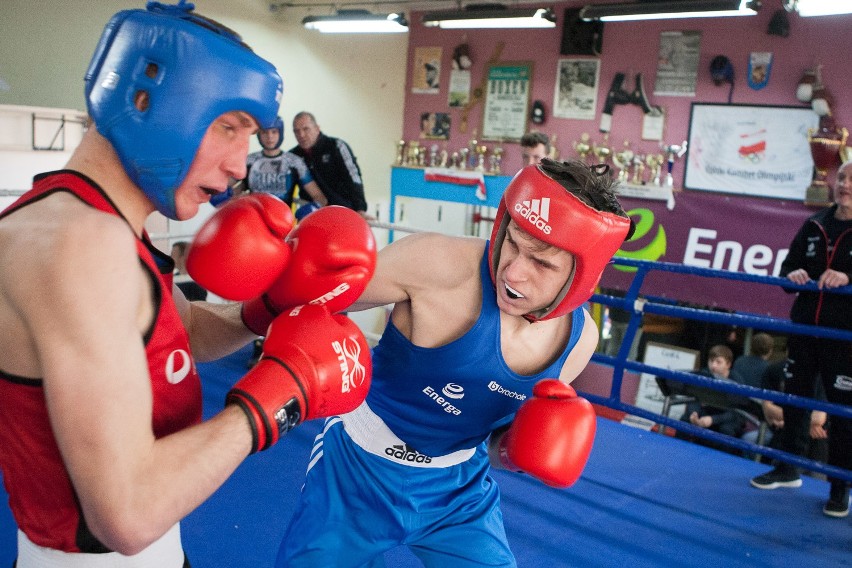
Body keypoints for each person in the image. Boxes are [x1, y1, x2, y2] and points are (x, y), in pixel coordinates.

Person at [0, 3, 374, 565]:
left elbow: (174, 331)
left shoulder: (77, 220)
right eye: (227, 127)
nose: (238, 167)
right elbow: (126, 515)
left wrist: (266, 309)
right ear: (148, 102)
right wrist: (281, 395)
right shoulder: (85, 245)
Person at [276, 159, 634, 567]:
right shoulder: (437, 264)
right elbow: (305, 301)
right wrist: (284, 264)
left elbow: (498, 443)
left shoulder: (577, 341)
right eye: (514, 243)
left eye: (542, 263)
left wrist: (519, 450)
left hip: (458, 492)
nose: (513, 271)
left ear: (581, 278)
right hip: (355, 469)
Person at [750, 160, 852, 519]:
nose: (845, 184)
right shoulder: (814, 224)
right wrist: (792, 273)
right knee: (796, 401)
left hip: (844, 340)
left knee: (842, 415)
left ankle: (840, 488)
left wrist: (848, 277)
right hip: (805, 330)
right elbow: (784, 272)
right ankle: (787, 468)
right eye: (842, 177)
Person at [290, 111, 372, 218]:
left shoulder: (336, 146)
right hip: (313, 216)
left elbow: (353, 177)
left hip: (343, 213)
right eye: (297, 131)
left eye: (306, 129)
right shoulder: (293, 156)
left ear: (317, 128)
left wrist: (360, 208)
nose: (301, 135)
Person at [244, 115, 327, 208]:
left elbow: (320, 197)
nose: (269, 137)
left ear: (280, 133)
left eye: (274, 132)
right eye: (264, 132)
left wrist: (313, 208)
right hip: (254, 217)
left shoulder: (294, 162)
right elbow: (233, 189)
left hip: (283, 219)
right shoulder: (248, 161)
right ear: (259, 134)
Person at [678, 344, 750, 447]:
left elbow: (736, 412)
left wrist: (713, 419)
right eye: (711, 361)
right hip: (706, 412)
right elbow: (694, 398)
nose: (713, 365)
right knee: (684, 420)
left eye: (718, 362)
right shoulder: (704, 374)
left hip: (727, 417)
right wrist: (694, 414)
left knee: (726, 430)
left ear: (728, 364)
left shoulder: (736, 381)